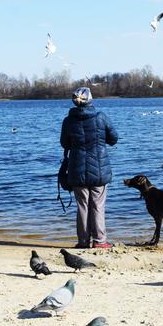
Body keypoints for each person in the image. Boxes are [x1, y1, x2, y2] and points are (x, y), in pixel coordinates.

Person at [60, 87, 118, 248]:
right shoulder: (101, 117)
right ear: (90, 100)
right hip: (99, 169)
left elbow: (64, 144)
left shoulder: (68, 120)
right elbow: (114, 139)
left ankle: (83, 241)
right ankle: (100, 241)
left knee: (82, 206)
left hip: (76, 169)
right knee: (98, 206)